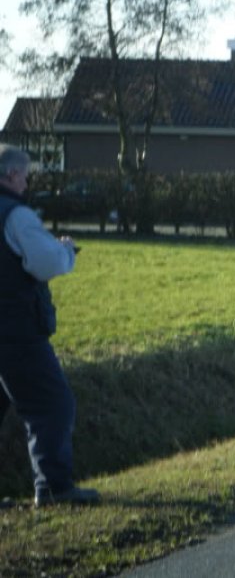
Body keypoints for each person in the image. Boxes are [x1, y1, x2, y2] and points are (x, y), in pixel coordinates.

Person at [0, 145, 98, 507]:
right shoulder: (16, 216)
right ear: (10, 175)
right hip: (16, 333)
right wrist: (66, 250)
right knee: (52, 405)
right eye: (24, 175)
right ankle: (54, 488)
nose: (27, 182)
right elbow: (45, 263)